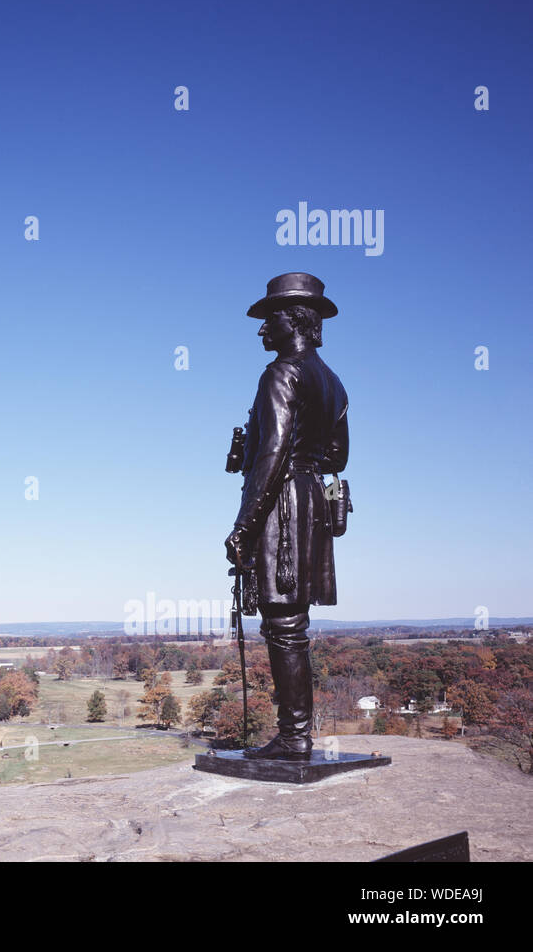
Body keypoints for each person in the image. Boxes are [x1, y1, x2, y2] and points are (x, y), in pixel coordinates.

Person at [225, 273, 348, 760]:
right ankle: (295, 734)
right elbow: (337, 456)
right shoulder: (334, 383)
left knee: (284, 627)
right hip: (313, 500)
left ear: (294, 320)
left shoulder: (280, 374)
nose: (261, 330)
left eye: (267, 319)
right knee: (293, 625)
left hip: (282, 504)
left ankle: (294, 737)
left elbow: (272, 454)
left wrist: (243, 526)